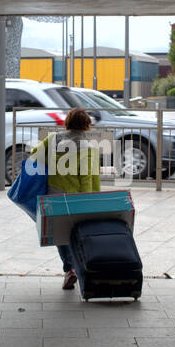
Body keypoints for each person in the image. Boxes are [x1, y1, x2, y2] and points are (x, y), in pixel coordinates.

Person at [30, 108, 101, 289]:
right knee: (77, 235)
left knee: (60, 236)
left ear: (67, 122)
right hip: (76, 198)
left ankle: (70, 269)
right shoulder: (88, 146)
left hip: (54, 195)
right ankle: (79, 268)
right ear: (86, 125)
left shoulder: (54, 139)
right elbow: (87, 177)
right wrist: (93, 200)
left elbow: (34, 155)